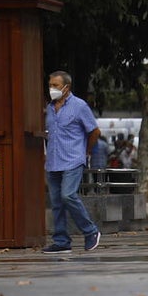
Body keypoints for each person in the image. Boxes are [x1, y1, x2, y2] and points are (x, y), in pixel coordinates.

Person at [43, 71, 102, 254]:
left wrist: (86, 152)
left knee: (68, 195)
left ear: (66, 87)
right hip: (53, 161)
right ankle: (61, 241)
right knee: (56, 202)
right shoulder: (50, 108)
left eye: (56, 85)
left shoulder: (79, 106)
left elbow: (94, 131)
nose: (52, 89)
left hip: (73, 159)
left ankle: (90, 231)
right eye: (50, 85)